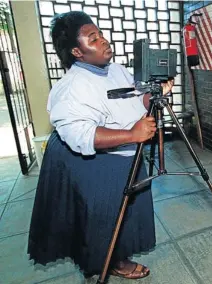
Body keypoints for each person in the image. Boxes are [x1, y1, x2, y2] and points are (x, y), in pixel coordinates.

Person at [28, 11, 174, 279]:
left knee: (126, 210)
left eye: (101, 34)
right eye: (92, 38)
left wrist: (154, 96)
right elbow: (81, 133)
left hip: (128, 152)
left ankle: (118, 255)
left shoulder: (116, 70)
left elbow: (134, 101)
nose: (103, 41)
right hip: (94, 162)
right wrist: (131, 134)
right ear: (76, 51)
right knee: (103, 215)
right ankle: (107, 263)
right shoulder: (72, 87)